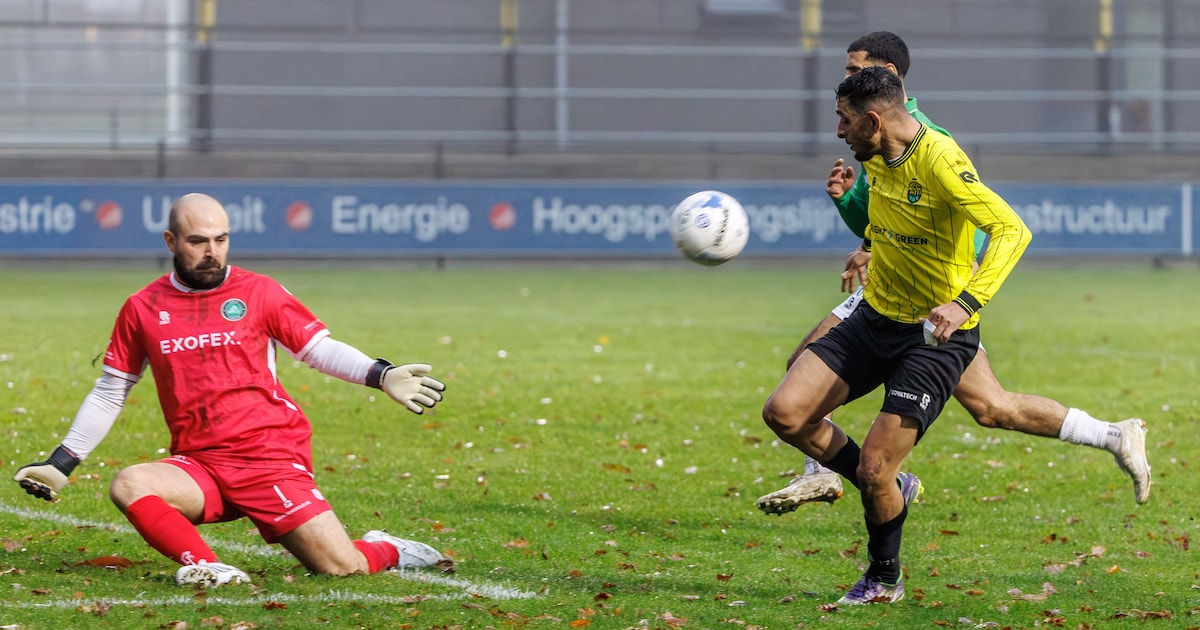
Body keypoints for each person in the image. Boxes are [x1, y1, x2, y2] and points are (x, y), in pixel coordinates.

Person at [755, 31, 1150, 515]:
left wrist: (965, 295)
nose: (846, 80)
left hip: (932, 298)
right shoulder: (873, 136)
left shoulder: (924, 141)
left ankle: (851, 477)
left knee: (811, 363)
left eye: (855, 70)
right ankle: (1113, 435)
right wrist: (861, 232)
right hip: (894, 288)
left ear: (886, 80)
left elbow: (982, 222)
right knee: (991, 407)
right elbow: (885, 217)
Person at [12, 193, 454, 588]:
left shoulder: (259, 291)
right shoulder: (142, 308)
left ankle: (386, 547)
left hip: (268, 456)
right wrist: (62, 462)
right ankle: (209, 567)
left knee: (342, 567)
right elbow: (112, 390)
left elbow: (317, 349)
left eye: (221, 240)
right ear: (170, 242)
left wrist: (381, 374)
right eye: (198, 241)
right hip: (201, 464)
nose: (212, 253)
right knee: (130, 484)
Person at [762, 66, 1033, 605]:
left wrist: (966, 302)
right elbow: (886, 226)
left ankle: (884, 578)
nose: (838, 132)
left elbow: (1011, 229)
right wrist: (853, 217)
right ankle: (889, 486)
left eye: (843, 121)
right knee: (786, 413)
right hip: (874, 319)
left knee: (875, 467)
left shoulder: (941, 160)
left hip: (933, 338)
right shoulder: (876, 158)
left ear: (872, 119)